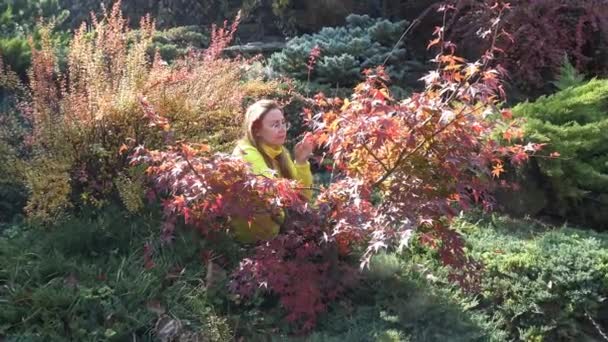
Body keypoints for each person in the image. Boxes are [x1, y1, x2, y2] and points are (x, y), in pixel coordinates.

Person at [230, 99, 315, 243]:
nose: (282, 129)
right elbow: (271, 198)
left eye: (283, 123)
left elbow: (303, 197)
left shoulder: (279, 152)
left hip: (277, 234)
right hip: (251, 241)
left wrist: (301, 162)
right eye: (275, 125)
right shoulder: (246, 153)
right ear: (256, 131)